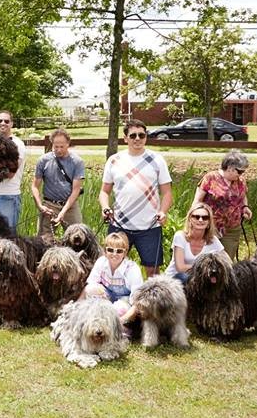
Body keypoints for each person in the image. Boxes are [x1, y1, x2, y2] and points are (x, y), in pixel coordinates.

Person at [99, 119, 173, 277]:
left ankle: (154, 301)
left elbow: (167, 192)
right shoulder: (114, 161)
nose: (138, 139)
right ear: (125, 138)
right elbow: (104, 192)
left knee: (153, 271)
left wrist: (163, 211)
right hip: (119, 224)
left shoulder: (157, 160)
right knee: (112, 268)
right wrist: (105, 207)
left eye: (142, 135)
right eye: (133, 135)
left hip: (150, 226)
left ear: (146, 137)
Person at [193, 150, 252, 260]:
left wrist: (245, 207)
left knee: (227, 261)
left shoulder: (241, 181)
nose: (241, 175)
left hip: (233, 228)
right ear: (230, 167)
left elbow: (243, 196)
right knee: (208, 261)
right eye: (239, 172)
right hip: (211, 227)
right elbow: (197, 202)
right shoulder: (210, 178)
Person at [31, 128, 85, 240]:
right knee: (44, 240)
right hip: (49, 205)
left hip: (70, 205)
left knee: (77, 238)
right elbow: (35, 186)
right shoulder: (43, 160)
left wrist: (63, 212)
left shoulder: (77, 162)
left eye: (62, 146)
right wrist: (40, 205)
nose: (59, 150)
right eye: (56, 147)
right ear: (52, 144)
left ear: (68, 144)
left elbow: (76, 190)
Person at [0, 109, 27, 235]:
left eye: (6, 121)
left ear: (12, 124)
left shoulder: (17, 145)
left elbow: (10, 174)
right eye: (0, 121)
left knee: (7, 238)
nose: (2, 123)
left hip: (8, 196)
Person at [83, 231, 143, 316]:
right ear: (105, 251)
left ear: (125, 253)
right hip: (106, 295)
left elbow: (137, 302)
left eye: (119, 251)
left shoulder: (132, 269)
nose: (114, 254)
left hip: (125, 300)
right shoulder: (101, 262)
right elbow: (90, 284)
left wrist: (123, 320)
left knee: (118, 309)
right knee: (90, 289)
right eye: (110, 250)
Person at [164, 202, 224, 284]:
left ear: (209, 222)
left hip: (200, 279)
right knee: (185, 278)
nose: (200, 220)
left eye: (205, 217)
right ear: (190, 219)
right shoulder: (180, 236)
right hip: (176, 279)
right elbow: (180, 268)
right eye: (196, 217)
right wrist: (205, 268)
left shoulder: (213, 241)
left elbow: (227, 263)